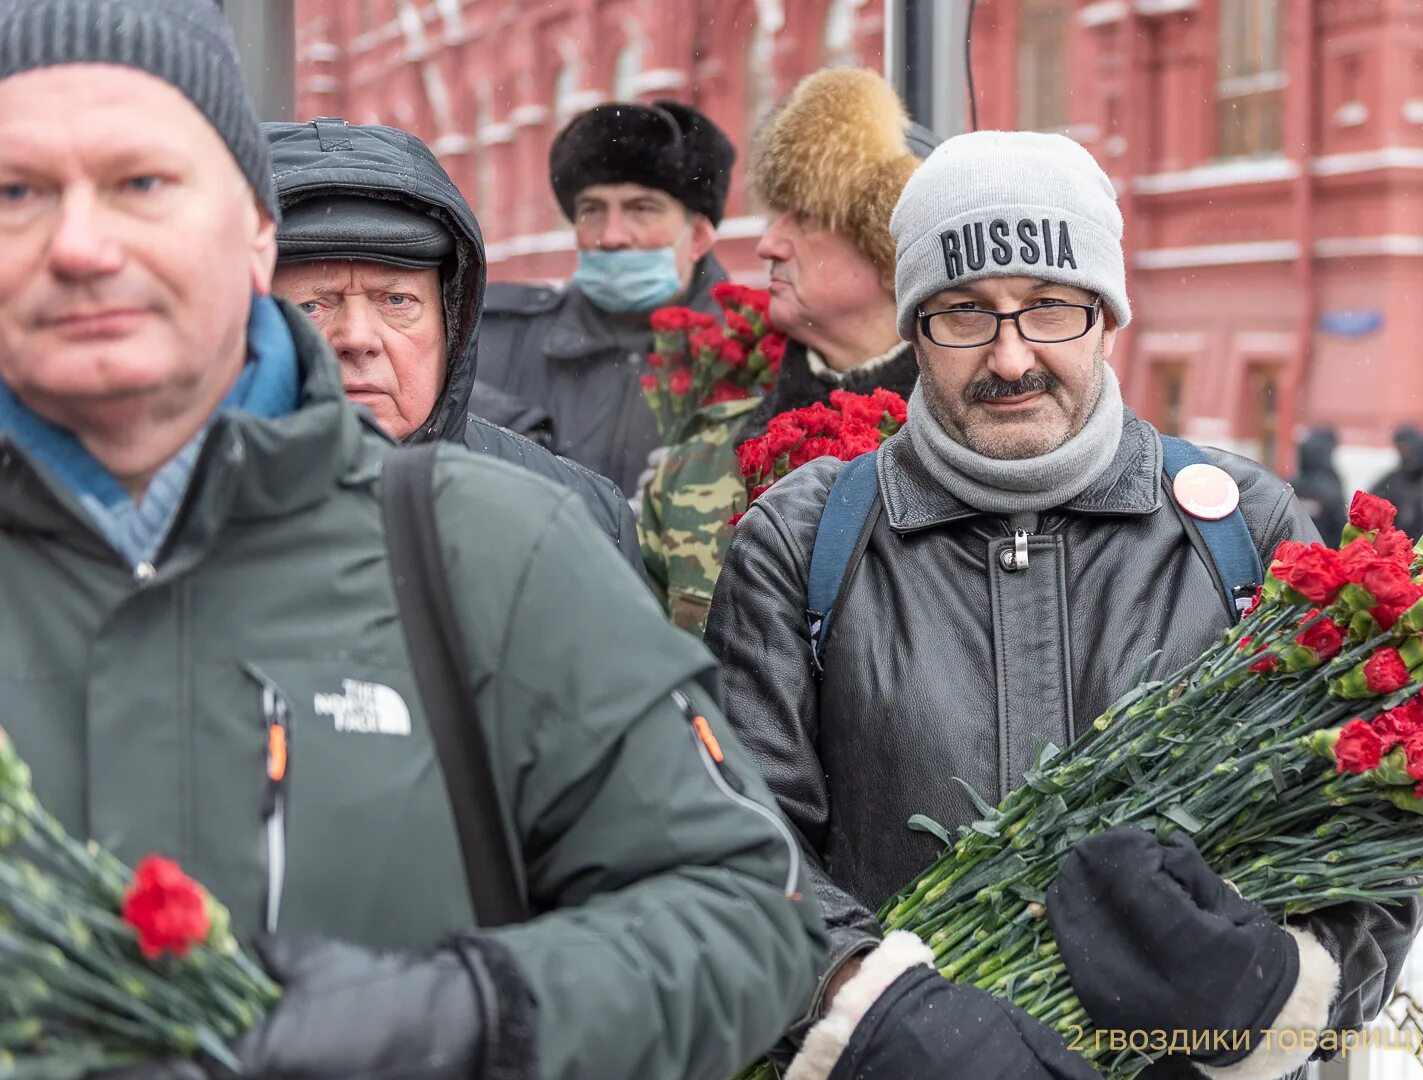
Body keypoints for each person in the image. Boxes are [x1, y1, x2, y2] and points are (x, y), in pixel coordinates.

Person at [0, 4, 823, 1078]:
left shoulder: (496, 549)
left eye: (142, 182)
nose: (80, 243)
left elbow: (749, 914)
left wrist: (475, 1017)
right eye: (16, 190)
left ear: (248, 230)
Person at [706, 131, 1423, 1080]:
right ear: (913, 328)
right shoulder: (801, 544)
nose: (1010, 358)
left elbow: (1376, 826)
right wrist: (871, 1006)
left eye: (1049, 308)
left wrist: (1276, 987)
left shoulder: (1247, 530)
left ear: (1108, 318)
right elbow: (740, 839)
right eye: (963, 313)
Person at [263, 117, 646, 575]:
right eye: (310, 306)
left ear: (453, 322)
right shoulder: (172, 510)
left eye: (397, 300)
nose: (358, 339)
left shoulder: (577, 518)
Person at [641, 66, 927, 631]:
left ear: (890, 242)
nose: (769, 243)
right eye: (777, 217)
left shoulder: (982, 457)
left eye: (810, 217)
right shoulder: (698, 456)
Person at [473, 100, 736, 500]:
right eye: (592, 210)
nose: (611, 235)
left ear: (698, 237)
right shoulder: (498, 341)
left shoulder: (755, 358)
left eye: (641, 209)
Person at [1370, 423, 1423, 537]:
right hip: (1396, 544)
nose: (1406, 455)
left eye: (1407, 449)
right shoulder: (1394, 480)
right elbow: (1371, 506)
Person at [1290, 426, 1346, 546]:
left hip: (1295, 553)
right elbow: (1340, 524)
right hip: (1324, 553)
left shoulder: (1292, 485)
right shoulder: (1330, 485)